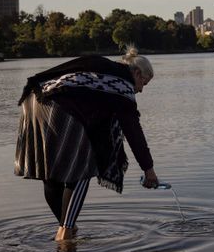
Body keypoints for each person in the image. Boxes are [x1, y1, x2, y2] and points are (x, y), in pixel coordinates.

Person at [14, 47, 160, 241]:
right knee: (86, 167)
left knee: (51, 174)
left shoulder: (103, 67)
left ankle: (66, 229)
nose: (140, 89)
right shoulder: (123, 85)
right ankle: (65, 232)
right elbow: (133, 132)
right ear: (137, 73)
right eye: (144, 83)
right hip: (59, 108)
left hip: (34, 101)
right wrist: (148, 169)